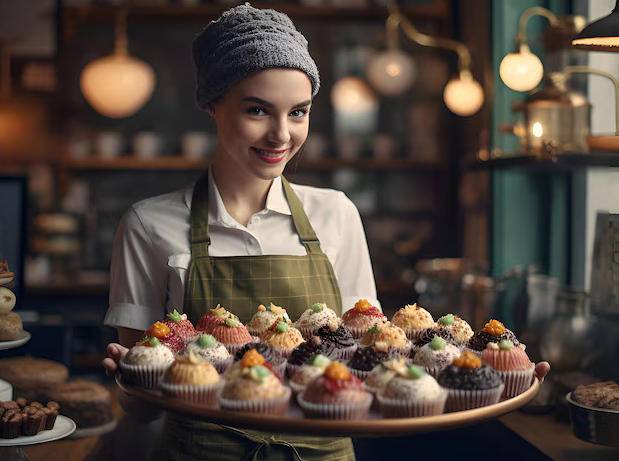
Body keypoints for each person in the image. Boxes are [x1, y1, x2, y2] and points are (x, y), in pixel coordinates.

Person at [102, 4, 551, 461]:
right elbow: (144, 408)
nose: (281, 135)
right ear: (212, 104)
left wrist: (492, 375)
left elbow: (374, 363)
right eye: (258, 110)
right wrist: (129, 383)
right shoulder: (148, 224)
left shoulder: (336, 213)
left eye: (298, 112)